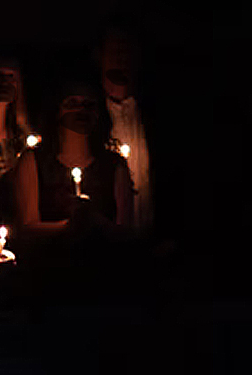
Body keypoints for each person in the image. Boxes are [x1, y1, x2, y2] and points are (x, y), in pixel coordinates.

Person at [11, 78, 134, 240]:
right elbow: (27, 226)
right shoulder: (33, 161)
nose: (81, 111)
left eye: (89, 105)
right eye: (72, 104)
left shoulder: (114, 165)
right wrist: (69, 227)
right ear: (57, 110)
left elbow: (125, 232)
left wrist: (96, 223)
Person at [96, 25, 153, 233]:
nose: (121, 58)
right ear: (99, 55)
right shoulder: (91, 120)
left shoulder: (154, 117)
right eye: (114, 51)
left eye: (127, 50)